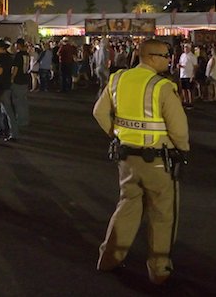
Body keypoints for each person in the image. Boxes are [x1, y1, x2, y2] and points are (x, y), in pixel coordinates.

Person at [93, 38, 189, 284]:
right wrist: (183, 149)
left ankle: (109, 258)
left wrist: (117, 133)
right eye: (167, 55)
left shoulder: (117, 79)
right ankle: (159, 269)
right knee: (162, 214)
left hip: (126, 158)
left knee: (127, 206)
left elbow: (99, 112)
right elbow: (178, 128)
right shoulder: (162, 87)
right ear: (153, 57)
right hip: (158, 161)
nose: (170, 59)